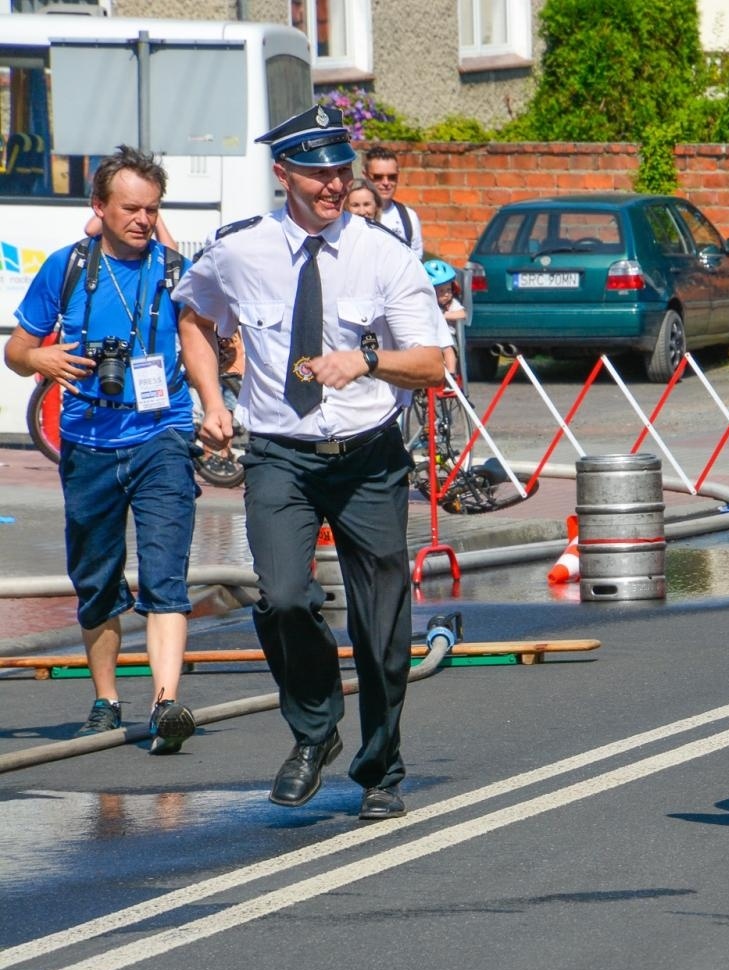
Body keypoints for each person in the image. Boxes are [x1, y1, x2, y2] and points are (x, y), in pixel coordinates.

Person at [173, 105, 445, 819]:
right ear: (282, 173)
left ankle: (382, 767)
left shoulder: (383, 254)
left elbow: (434, 361)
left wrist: (369, 358)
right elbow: (194, 315)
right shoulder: (240, 250)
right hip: (279, 456)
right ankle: (314, 729)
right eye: (317, 172)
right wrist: (211, 397)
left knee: (382, 626)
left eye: (340, 171)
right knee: (285, 596)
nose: (332, 185)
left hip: (368, 459)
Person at [4, 146, 199, 754]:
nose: (143, 219)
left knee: (166, 572)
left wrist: (217, 394)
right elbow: (16, 349)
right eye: (131, 208)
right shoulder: (66, 268)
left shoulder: (176, 271)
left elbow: (208, 341)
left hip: (163, 432)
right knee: (95, 580)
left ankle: (166, 703)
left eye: (152, 209)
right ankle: (106, 701)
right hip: (87, 440)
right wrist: (41, 358)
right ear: (100, 207)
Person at [363, 146, 423, 258]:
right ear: (365, 175)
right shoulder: (351, 214)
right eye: (378, 177)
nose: (386, 183)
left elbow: (416, 262)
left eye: (392, 177)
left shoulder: (409, 217)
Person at [423, 258, 463, 377]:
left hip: (447, 336)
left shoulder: (451, 304)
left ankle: (451, 376)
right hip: (428, 337)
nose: (446, 294)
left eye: (449, 290)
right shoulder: (425, 304)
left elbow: (463, 314)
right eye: (441, 291)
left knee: (449, 349)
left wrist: (445, 315)